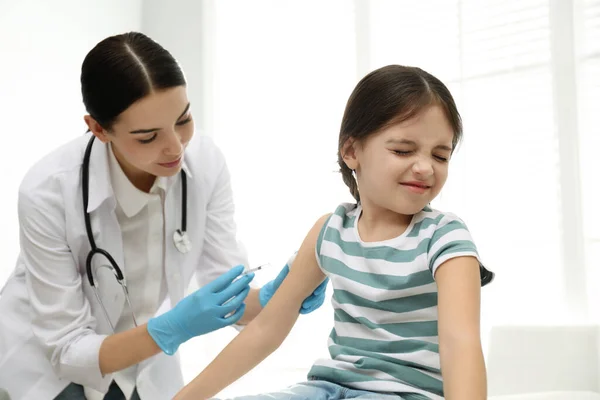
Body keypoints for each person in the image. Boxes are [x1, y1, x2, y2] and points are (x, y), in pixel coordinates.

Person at [0, 32, 328, 400]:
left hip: (144, 365)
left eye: (183, 119)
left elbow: (224, 287)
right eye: (147, 136)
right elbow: (67, 350)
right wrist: (168, 329)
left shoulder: (204, 162)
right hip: (48, 370)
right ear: (98, 129)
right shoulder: (48, 191)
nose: (176, 147)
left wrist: (272, 298)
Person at [173, 65, 495, 400]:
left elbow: (461, 344)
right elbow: (266, 329)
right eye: (403, 150)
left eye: (440, 156)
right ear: (352, 152)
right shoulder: (331, 231)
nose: (426, 167)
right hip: (329, 389)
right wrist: (186, 396)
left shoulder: (445, 237)